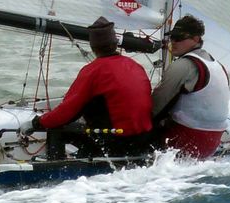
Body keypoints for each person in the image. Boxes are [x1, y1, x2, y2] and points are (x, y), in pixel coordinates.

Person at [27, 17, 154, 160]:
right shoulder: (136, 66)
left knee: (55, 127)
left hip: (115, 142)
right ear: (115, 43)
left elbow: (66, 113)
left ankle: (55, 166)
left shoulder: (92, 71)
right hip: (143, 140)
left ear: (93, 47)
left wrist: (38, 122)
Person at [150, 14, 228, 159]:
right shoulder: (219, 66)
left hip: (185, 140)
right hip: (213, 143)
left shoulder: (183, 65)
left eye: (179, 38)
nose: (173, 42)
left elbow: (156, 106)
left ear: (196, 39)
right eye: (172, 37)